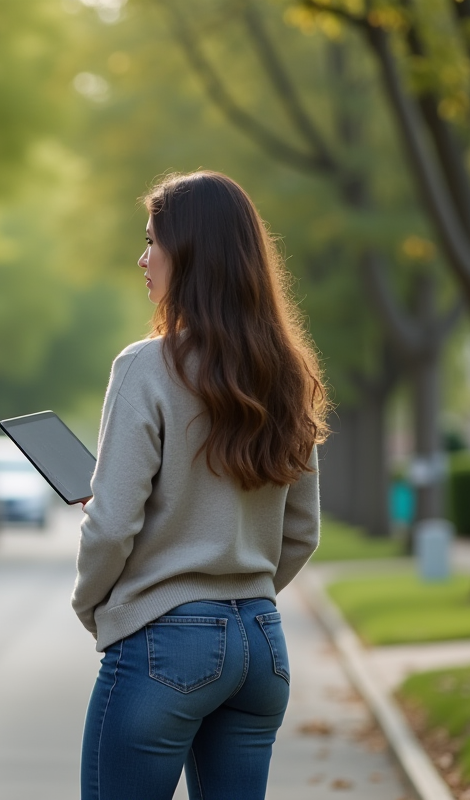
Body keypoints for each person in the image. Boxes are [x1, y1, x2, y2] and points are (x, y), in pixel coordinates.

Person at [73, 171, 328, 800]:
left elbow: (110, 524)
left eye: (152, 241)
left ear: (188, 255)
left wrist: (96, 608)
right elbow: (301, 533)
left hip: (165, 642)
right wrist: (240, 589)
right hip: (262, 646)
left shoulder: (145, 366)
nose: (143, 258)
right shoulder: (287, 371)